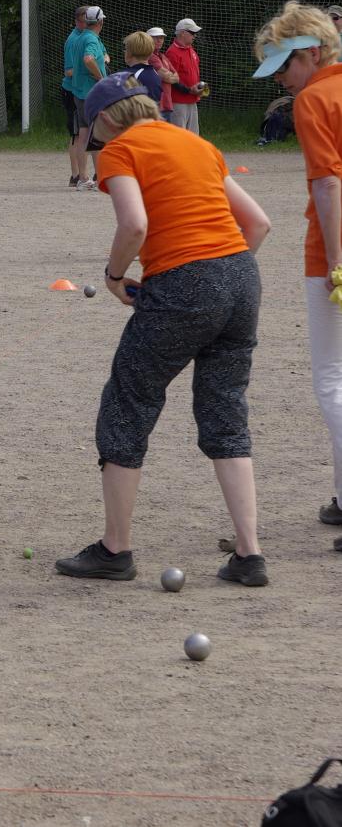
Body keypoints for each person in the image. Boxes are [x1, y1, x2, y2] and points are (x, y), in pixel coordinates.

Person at [55, 71, 271, 587]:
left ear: (106, 117)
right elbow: (258, 223)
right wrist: (219, 278)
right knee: (224, 410)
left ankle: (115, 549)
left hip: (182, 282)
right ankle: (249, 553)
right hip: (242, 277)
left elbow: (134, 225)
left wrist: (113, 277)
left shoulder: (120, 151)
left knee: (129, 401)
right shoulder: (195, 141)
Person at [252, 0, 342, 551]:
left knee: (332, 380)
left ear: (311, 53)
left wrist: (334, 261)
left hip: (333, 249)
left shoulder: (314, 100)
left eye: (285, 67)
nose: (282, 80)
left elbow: (328, 184)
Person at [67, 6, 107, 191]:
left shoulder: (80, 37)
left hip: (80, 92)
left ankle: (84, 177)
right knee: (95, 135)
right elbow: (89, 59)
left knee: (84, 135)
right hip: (91, 92)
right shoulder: (90, 38)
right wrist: (100, 77)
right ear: (100, 22)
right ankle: (96, 177)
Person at [165, 18, 204, 135]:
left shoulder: (191, 50)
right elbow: (171, 79)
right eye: (192, 33)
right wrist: (188, 90)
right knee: (179, 136)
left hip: (192, 100)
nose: (195, 36)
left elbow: (193, 74)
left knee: (193, 136)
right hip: (178, 102)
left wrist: (199, 87)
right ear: (182, 33)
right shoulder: (172, 52)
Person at [63, 7, 87, 187]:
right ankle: (76, 174)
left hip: (82, 90)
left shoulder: (88, 38)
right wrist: (91, 70)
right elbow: (69, 71)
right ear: (79, 21)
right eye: (87, 21)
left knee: (83, 133)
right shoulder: (73, 41)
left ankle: (81, 173)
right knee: (76, 134)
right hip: (72, 91)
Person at [145, 26, 179, 124]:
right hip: (156, 103)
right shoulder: (150, 56)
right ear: (148, 39)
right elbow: (167, 76)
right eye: (156, 37)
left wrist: (169, 77)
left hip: (166, 103)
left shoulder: (163, 56)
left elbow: (177, 78)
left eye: (162, 37)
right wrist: (169, 76)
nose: (160, 40)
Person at [120, 32, 163, 103]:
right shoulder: (155, 73)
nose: (124, 52)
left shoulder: (127, 76)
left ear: (129, 52)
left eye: (126, 49)